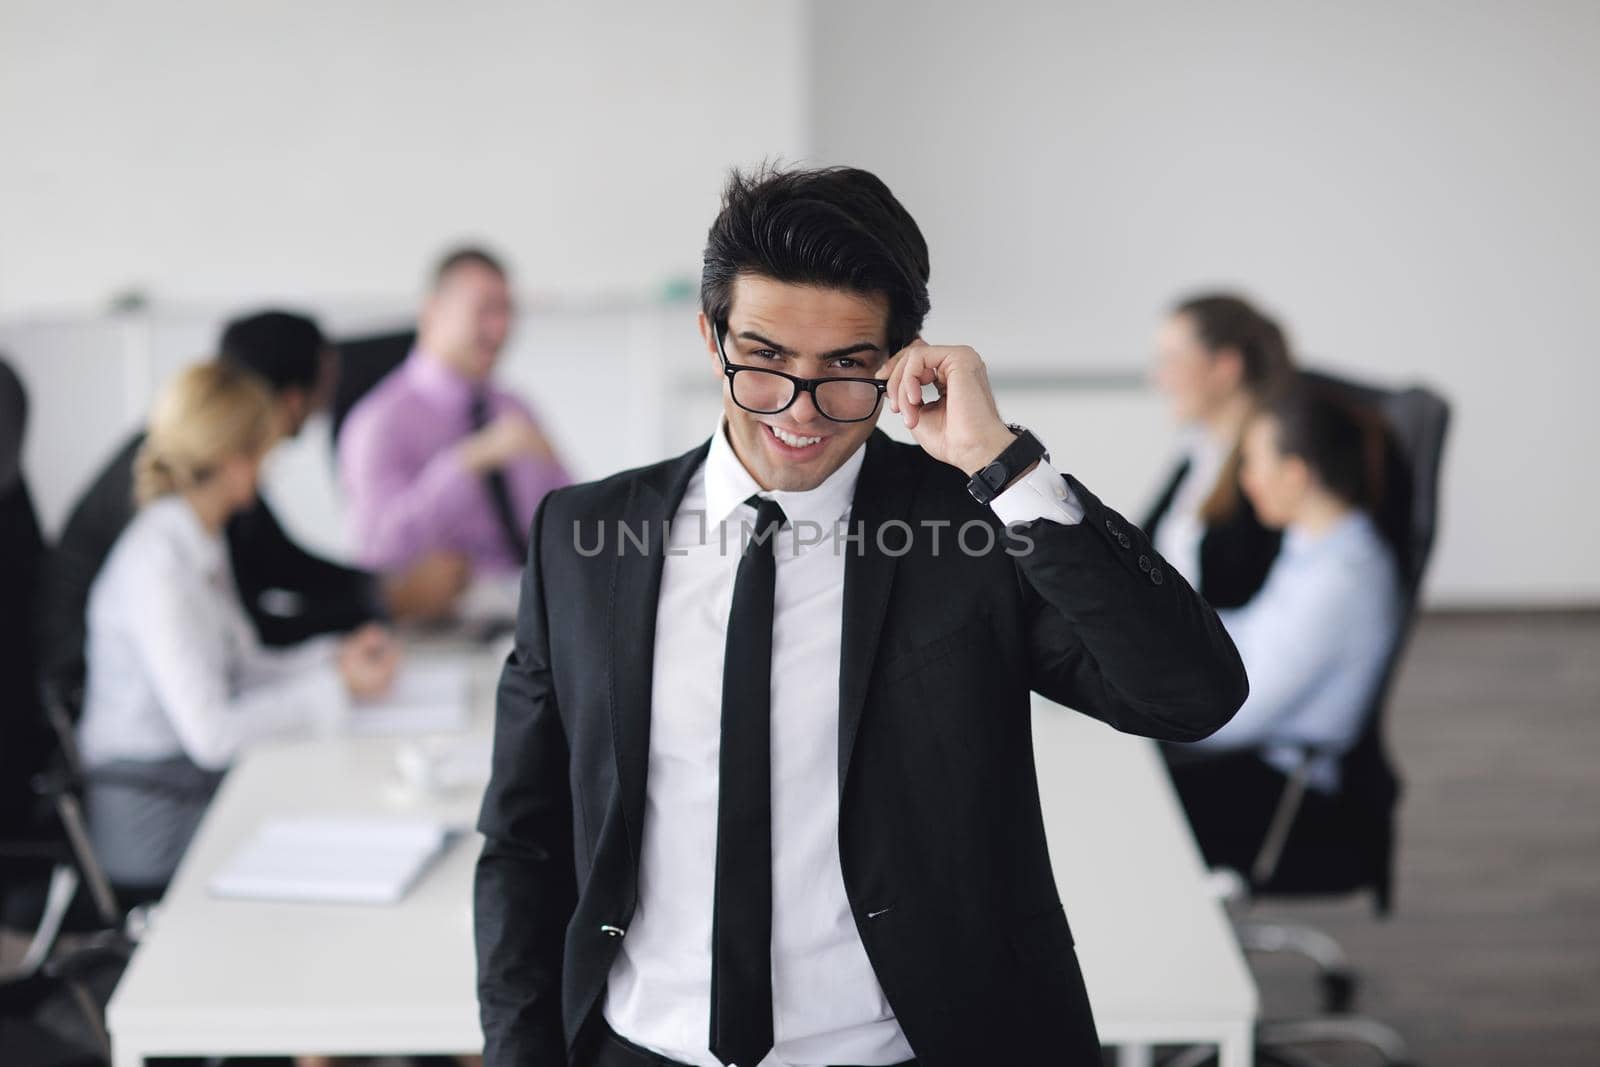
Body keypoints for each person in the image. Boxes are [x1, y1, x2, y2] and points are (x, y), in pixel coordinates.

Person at [474, 165, 1249, 1067]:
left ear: (900, 360)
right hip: (638, 1047)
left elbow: (1189, 696)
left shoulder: (974, 528)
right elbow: (523, 840)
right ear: (710, 333)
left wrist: (1003, 466)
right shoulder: (582, 535)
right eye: (763, 361)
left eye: (846, 370)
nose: (799, 412)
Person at [75, 362, 401, 891]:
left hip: (192, 782)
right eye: (265, 451)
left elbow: (242, 665)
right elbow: (213, 735)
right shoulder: (159, 566)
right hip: (155, 809)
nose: (271, 466)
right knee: (322, 841)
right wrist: (335, 688)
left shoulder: (200, 538)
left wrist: (334, 658)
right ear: (234, 460)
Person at [36, 310, 468, 688]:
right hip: (105, 701)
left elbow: (280, 564)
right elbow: (251, 629)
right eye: (324, 390)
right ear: (293, 399)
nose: (325, 408)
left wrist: (379, 590)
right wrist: (386, 603)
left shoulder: (203, 458)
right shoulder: (183, 485)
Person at [1164, 377, 1402, 875]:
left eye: (1252, 463)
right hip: (1250, 754)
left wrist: (1138, 700)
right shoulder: (1315, 546)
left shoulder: (1339, 582)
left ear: (1295, 475)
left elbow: (1233, 720)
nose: (1245, 480)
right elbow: (1247, 635)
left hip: (1278, 794)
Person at [338, 248, 571, 575]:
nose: (500, 328)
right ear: (433, 312)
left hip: (530, 599)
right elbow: (378, 549)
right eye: (485, 310)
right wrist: (466, 462)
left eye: (507, 311)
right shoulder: (379, 422)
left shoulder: (515, 408)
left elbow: (574, 518)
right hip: (444, 618)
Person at [1144, 293, 1294, 609]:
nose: (1158, 378)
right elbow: (1141, 543)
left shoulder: (1266, 469)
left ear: (1225, 367)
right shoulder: (1200, 448)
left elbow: (1233, 595)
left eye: (1171, 360)